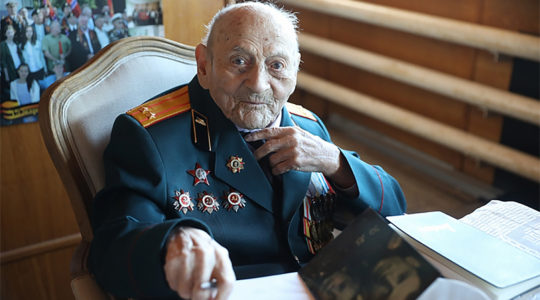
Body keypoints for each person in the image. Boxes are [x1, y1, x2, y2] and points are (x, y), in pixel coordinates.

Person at [88, 2, 406, 300]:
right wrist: (171, 242)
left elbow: (395, 215)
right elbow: (111, 248)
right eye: (239, 62)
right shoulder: (150, 137)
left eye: (277, 65)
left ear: (296, 70)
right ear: (204, 65)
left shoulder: (307, 127)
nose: (258, 84)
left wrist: (335, 162)